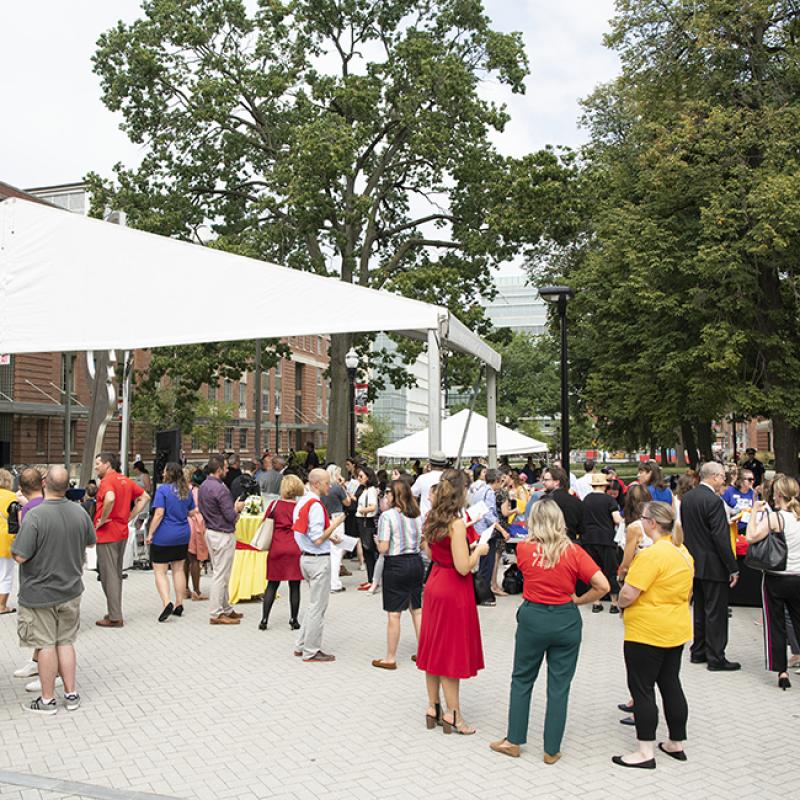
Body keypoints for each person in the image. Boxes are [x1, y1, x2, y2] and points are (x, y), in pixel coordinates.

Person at [489, 498, 609, 762]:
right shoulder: (574, 551)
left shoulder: (523, 549)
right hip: (565, 618)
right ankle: (551, 749)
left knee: (522, 679)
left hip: (534, 617)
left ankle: (514, 739)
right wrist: (579, 600)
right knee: (559, 686)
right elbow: (603, 585)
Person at [613, 501, 693, 768]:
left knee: (642, 688)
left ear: (653, 524)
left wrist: (620, 603)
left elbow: (629, 592)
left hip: (646, 631)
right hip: (676, 627)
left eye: (644, 519)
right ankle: (676, 742)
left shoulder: (651, 555)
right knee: (671, 684)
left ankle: (645, 751)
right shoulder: (683, 553)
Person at [11, 467, 96, 714]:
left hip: (39, 592)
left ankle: (47, 700)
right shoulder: (80, 512)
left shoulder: (35, 516)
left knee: (45, 644)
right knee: (66, 642)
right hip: (70, 589)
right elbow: (91, 542)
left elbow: (20, 556)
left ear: (45, 482)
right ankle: (71, 694)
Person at [416, 470, 489, 735]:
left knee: (434, 647)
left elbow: (429, 551)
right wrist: (478, 550)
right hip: (453, 589)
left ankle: (432, 706)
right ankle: (454, 714)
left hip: (435, 582)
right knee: (450, 652)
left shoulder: (431, 518)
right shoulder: (456, 524)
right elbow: (462, 567)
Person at [681, 461, 740, 670]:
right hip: (713, 564)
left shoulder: (687, 498)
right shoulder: (714, 502)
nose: (724, 480)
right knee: (716, 612)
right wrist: (732, 567)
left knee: (700, 610)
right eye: (723, 477)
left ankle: (698, 651)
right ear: (714, 477)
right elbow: (720, 537)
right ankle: (716, 656)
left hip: (694, 562)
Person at [746, 474, 800, 690]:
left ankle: (781, 671)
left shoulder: (775, 518)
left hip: (777, 577)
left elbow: (751, 537)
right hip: (799, 575)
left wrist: (754, 513)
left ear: (777, 495)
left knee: (775, 624)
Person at [292, 468, 345, 662]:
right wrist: (335, 524)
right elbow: (316, 538)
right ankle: (311, 650)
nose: (329, 486)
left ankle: (301, 644)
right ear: (316, 484)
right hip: (317, 558)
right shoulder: (314, 504)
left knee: (313, 605)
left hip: (306, 557)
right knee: (318, 607)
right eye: (325, 483)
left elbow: (308, 533)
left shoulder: (303, 502)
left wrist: (331, 536)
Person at [372, 480, 424, 670]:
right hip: (416, 561)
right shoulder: (417, 515)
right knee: (417, 610)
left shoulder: (387, 516)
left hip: (396, 564)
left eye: (388, 494)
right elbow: (423, 542)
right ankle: (423, 653)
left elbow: (384, 548)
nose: (386, 497)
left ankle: (390, 657)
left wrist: (377, 542)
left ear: (394, 496)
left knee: (394, 614)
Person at [94, 452, 150, 628]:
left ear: (107, 464)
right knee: (115, 573)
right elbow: (145, 497)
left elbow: (109, 498)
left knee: (107, 574)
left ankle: (115, 615)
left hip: (107, 533)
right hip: (121, 531)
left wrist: (103, 519)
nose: (95, 467)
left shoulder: (107, 481)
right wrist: (130, 516)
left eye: (98, 463)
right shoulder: (124, 480)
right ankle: (114, 610)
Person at [197, 455, 245, 625]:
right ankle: (216, 612)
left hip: (211, 531)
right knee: (220, 574)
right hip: (223, 533)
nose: (227, 470)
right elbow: (231, 516)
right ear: (218, 470)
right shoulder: (221, 489)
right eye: (225, 468)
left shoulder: (203, 486)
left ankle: (226, 608)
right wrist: (237, 509)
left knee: (221, 572)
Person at [147, 462, 196, 622]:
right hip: (182, 534)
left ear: (168, 473)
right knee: (178, 569)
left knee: (160, 571)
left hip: (164, 535)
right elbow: (192, 511)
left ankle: (166, 602)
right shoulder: (186, 491)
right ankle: (179, 603)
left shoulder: (163, 490)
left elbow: (159, 513)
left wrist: (150, 533)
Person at [259, 474, 305, 630]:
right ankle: (294, 619)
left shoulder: (274, 505)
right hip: (294, 548)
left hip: (277, 548)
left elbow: (265, 522)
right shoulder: (300, 507)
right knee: (295, 586)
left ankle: (264, 619)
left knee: (272, 584)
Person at [581, 473, 623, 613]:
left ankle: (596, 602)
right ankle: (613, 603)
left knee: (594, 571)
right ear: (605, 486)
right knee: (610, 570)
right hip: (606, 539)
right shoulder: (609, 500)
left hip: (589, 539)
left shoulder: (586, 499)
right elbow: (617, 519)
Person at [323, 465, 355, 592]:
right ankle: (334, 583)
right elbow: (347, 502)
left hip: (326, 520)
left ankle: (328, 581)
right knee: (337, 552)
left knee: (329, 551)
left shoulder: (323, 488)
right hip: (337, 519)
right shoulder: (337, 488)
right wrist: (343, 486)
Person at [617, 484, 653, 582]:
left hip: (639, 575)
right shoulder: (655, 522)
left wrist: (621, 576)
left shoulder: (635, 527)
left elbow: (626, 563)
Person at [355, 465, 380, 588]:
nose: (359, 478)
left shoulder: (370, 490)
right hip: (363, 521)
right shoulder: (365, 489)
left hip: (366, 521)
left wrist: (361, 510)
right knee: (367, 552)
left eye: (361, 476)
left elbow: (373, 507)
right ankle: (371, 579)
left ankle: (373, 580)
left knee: (369, 551)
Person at [542, 467, 583, 541]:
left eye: (546, 480)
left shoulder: (545, 500)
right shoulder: (576, 501)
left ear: (557, 482)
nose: (543, 482)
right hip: (570, 542)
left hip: (550, 543)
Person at [0, 468, 21, 615]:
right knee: (5, 574)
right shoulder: (12, 497)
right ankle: (1, 605)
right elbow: (16, 521)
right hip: (5, 539)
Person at [411, 450, 448, 520]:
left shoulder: (422, 478)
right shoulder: (449, 478)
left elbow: (412, 496)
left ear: (430, 464)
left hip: (425, 517)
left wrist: (418, 510)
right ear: (444, 464)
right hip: (445, 518)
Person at [723, 469, 756, 534]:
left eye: (753, 480)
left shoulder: (753, 494)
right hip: (732, 527)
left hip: (748, 528)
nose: (752, 482)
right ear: (741, 480)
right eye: (749, 480)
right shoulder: (729, 491)